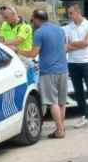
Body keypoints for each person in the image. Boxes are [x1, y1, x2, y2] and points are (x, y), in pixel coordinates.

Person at [21, 10, 68, 139]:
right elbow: (65, 48)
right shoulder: (60, 30)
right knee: (61, 102)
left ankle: (59, 130)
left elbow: (33, 54)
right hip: (63, 69)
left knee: (52, 102)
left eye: (32, 20)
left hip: (48, 71)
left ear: (36, 19)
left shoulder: (39, 32)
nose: (32, 23)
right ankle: (61, 128)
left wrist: (18, 51)